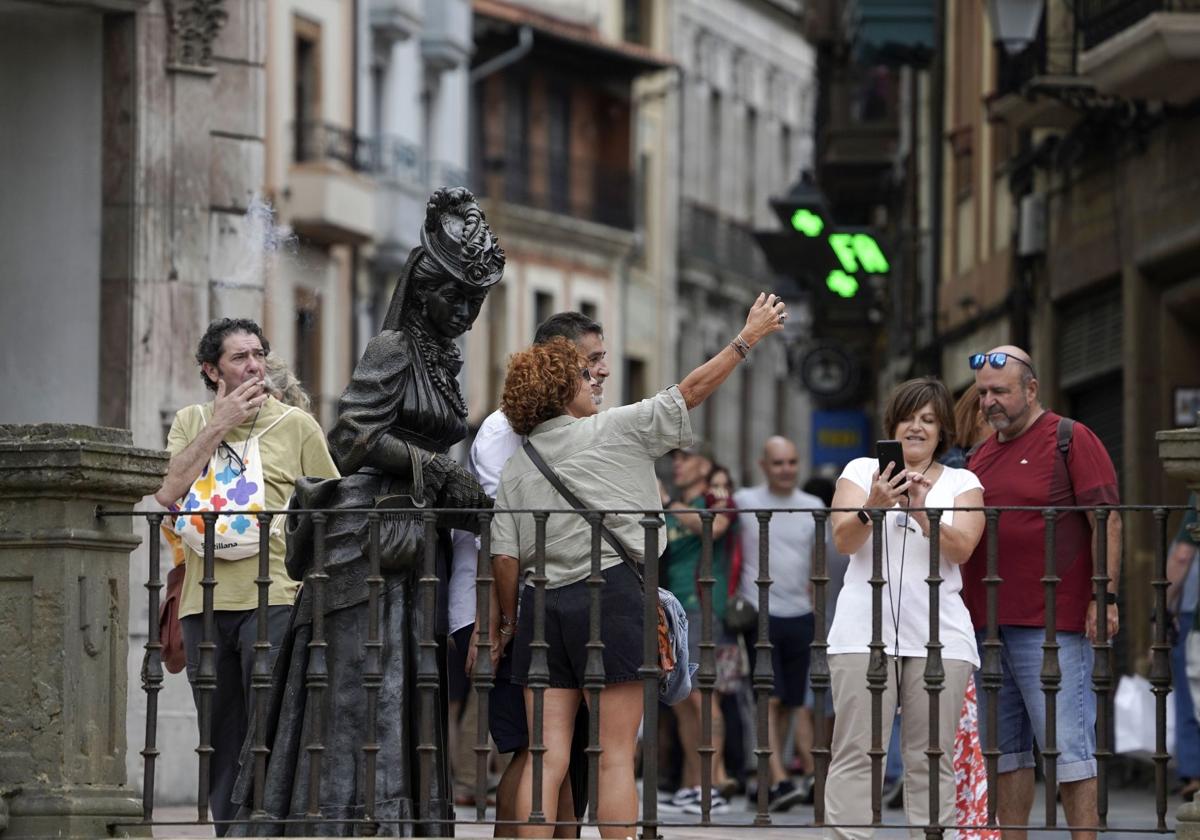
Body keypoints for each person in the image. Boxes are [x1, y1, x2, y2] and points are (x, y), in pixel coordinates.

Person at [228, 187, 500, 835]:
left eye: (475, 302)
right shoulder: (393, 348)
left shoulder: (442, 359)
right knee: (358, 687)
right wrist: (433, 469)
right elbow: (351, 437)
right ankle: (342, 819)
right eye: (454, 297)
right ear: (421, 288)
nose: (464, 312)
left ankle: (389, 817)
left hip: (410, 544)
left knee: (399, 688)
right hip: (365, 544)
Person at [489, 293, 788, 838]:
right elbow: (690, 392)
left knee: (545, 754)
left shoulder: (519, 463)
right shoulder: (615, 430)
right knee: (612, 754)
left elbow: (505, 558)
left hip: (540, 607)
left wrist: (507, 623)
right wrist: (746, 339)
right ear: (562, 385)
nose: (597, 379)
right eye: (586, 373)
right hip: (611, 597)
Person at [154, 318, 340, 834]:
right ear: (212, 370)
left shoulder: (296, 426)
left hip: (275, 596)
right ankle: (229, 830)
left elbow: (332, 507)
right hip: (203, 602)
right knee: (220, 734)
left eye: (258, 354)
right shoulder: (190, 421)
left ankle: (267, 830)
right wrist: (218, 424)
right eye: (239, 357)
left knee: (272, 728)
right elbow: (167, 493)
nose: (254, 364)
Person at [457, 311, 611, 836]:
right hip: (510, 610)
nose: (603, 372)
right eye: (592, 361)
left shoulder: (581, 423)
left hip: (548, 607)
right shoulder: (505, 431)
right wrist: (498, 623)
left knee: (559, 753)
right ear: (560, 362)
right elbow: (503, 543)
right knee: (534, 751)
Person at [961, 345, 1121, 840]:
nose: (989, 402)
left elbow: (1108, 518)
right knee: (1005, 753)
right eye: (983, 393)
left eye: (1000, 392)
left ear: (1030, 389)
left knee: (1069, 748)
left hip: (1053, 624)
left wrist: (1105, 596)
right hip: (987, 624)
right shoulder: (980, 454)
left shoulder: (1071, 437)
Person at [826, 377, 985, 840]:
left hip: (941, 636)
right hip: (862, 632)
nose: (917, 427)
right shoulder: (860, 471)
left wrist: (920, 510)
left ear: (942, 432)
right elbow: (842, 539)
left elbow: (962, 551)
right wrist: (874, 505)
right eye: (909, 417)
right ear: (892, 424)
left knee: (931, 757)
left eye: (929, 420)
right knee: (856, 751)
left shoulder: (962, 482)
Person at [732, 436, 824, 811]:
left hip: (801, 613)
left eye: (791, 462)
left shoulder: (814, 506)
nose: (786, 469)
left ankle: (772, 777)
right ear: (763, 465)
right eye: (778, 463)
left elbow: (818, 564)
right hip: (760, 611)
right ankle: (780, 777)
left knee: (787, 702)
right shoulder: (743, 502)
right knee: (766, 697)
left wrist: (817, 609)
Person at [661, 446, 736, 814]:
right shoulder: (680, 504)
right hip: (674, 608)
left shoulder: (714, 497)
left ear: (706, 465)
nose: (677, 464)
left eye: (686, 458)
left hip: (702, 605)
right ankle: (692, 784)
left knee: (704, 696)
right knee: (681, 699)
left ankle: (712, 786)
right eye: (674, 459)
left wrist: (668, 505)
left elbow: (717, 525)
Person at [1167, 493, 1200, 797]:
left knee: (1191, 691)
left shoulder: (1197, 493)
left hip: (1194, 612)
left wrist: (1163, 606)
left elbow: (1182, 555)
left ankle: (1194, 772)